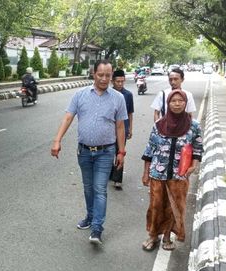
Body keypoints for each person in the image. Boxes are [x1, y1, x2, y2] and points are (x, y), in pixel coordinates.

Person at [50, 59, 127, 245]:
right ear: (94, 74)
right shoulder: (80, 95)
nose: (104, 79)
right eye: (100, 75)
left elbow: (120, 127)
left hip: (105, 152)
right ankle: (90, 216)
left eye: (108, 75)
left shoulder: (118, 98)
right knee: (88, 188)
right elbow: (68, 117)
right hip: (84, 151)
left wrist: (121, 152)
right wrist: (57, 140)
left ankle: (97, 228)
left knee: (100, 188)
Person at [141, 90, 203, 251]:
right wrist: (146, 172)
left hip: (179, 175)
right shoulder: (159, 124)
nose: (177, 104)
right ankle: (153, 235)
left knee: (174, 206)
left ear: (185, 103)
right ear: (168, 104)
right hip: (157, 173)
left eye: (180, 101)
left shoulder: (193, 126)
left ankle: (167, 237)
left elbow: (197, 148)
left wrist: (193, 166)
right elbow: (149, 150)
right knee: (156, 205)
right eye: (173, 101)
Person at [110, 69, 134, 189]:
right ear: (112, 81)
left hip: (122, 129)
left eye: (122, 81)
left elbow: (130, 113)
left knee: (120, 152)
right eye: (117, 81)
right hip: (108, 129)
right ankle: (110, 174)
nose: (120, 84)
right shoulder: (107, 93)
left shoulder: (128, 95)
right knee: (109, 153)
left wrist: (130, 128)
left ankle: (117, 179)